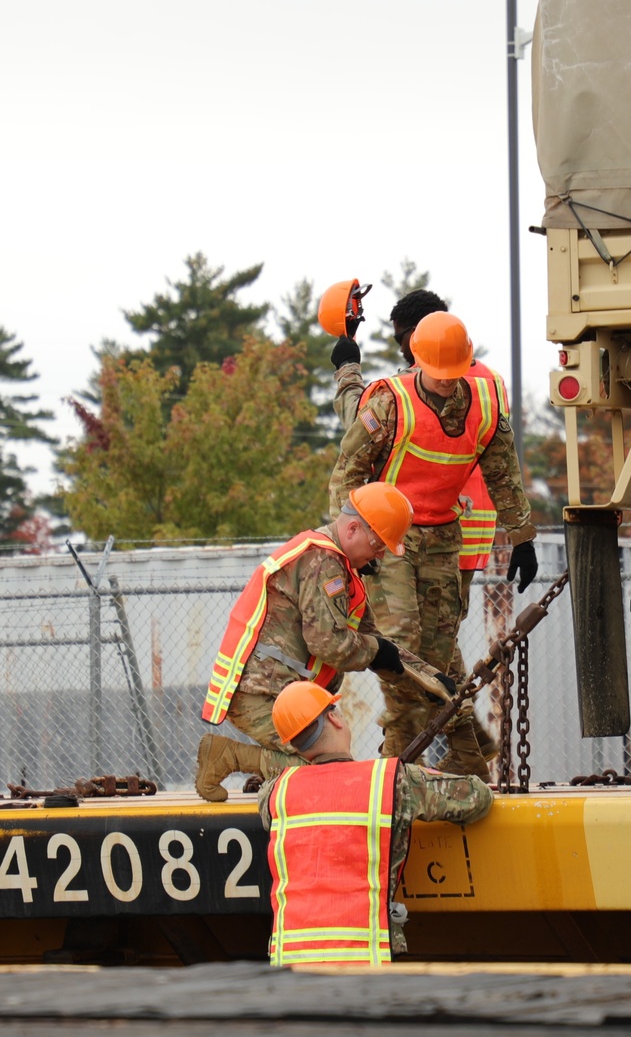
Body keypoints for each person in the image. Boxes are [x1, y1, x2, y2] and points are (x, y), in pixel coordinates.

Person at [329, 310, 538, 780]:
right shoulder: (389, 401)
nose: (446, 384)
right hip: (388, 542)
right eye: (437, 375)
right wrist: (353, 548)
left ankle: (466, 755)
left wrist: (522, 536)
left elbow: (503, 475)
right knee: (401, 649)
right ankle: (401, 764)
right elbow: (347, 474)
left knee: (439, 660)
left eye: (453, 375)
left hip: (444, 537)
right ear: (416, 361)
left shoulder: (484, 402)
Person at [195, 482, 448, 800]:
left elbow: (373, 640)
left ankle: (273, 773)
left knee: (326, 766)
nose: (381, 555)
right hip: (261, 694)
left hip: (278, 693)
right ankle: (226, 756)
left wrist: (426, 678)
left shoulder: (337, 565)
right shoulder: (322, 562)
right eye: (378, 544)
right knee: (327, 770)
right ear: (353, 528)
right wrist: (379, 653)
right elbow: (329, 644)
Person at [259, 680, 493, 966]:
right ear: (334, 718)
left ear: (295, 745)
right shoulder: (390, 783)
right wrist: (420, 771)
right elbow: (477, 798)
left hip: (290, 963)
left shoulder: (275, 793)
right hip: (361, 963)